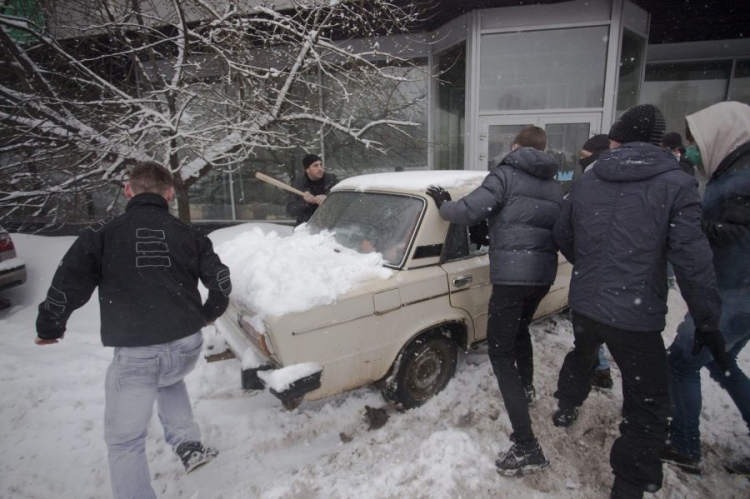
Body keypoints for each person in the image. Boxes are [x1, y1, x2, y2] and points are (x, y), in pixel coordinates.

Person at [551, 104, 724, 499]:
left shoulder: (589, 180)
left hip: (587, 302)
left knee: (582, 352)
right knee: (647, 405)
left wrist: (591, 265)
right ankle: (629, 486)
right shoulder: (677, 184)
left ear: (617, 138)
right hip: (635, 314)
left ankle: (566, 406)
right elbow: (692, 261)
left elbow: (562, 233)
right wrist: (708, 321)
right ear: (658, 141)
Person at [35, 161, 232, 499]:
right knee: (168, 378)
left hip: (138, 351)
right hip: (186, 345)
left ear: (128, 190)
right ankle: (189, 445)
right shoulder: (189, 234)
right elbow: (222, 280)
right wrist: (207, 314)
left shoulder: (102, 233)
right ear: (169, 193)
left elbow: (68, 284)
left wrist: (50, 326)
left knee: (124, 441)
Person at [426, 125, 563, 476]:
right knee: (520, 331)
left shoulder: (505, 174)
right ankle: (528, 387)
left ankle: (526, 445)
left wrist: (444, 204)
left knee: (500, 354)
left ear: (516, 146)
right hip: (541, 276)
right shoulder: (553, 183)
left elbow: (467, 212)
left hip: (512, 277)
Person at [661, 101, 750, 475]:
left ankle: (684, 445)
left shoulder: (740, 179)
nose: (692, 148)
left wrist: (697, 226)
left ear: (720, 136)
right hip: (735, 295)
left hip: (731, 297)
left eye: (695, 140)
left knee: (681, 363)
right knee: (722, 365)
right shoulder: (733, 172)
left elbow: (741, 237)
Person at [578, 133, 616, 391]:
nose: (581, 162)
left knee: (589, 327)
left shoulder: (590, 185)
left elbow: (566, 230)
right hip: (623, 274)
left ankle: (596, 371)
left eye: (584, 157)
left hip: (596, 271)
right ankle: (600, 369)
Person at [286, 153, 338, 225]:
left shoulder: (332, 181)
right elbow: (290, 210)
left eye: (320, 164)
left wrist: (328, 199)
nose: (320, 168)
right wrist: (305, 202)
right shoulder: (298, 185)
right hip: (306, 227)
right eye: (315, 166)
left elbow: (342, 203)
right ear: (307, 169)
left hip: (329, 226)